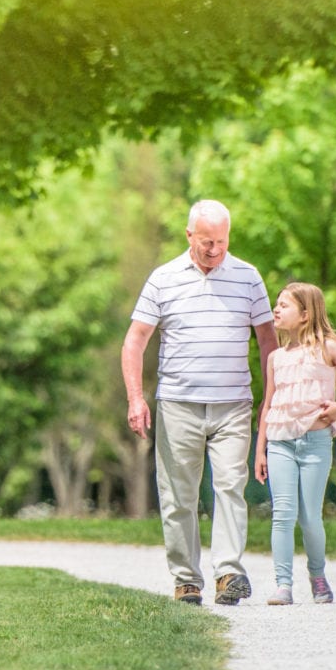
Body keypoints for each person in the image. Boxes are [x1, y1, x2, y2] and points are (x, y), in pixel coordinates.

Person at [123, 199, 279, 605]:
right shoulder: (163, 278)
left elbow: (268, 341)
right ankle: (186, 579)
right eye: (206, 241)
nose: (214, 250)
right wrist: (136, 398)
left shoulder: (248, 277)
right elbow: (136, 340)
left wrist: (271, 399)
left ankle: (228, 573)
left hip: (233, 403)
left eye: (222, 242)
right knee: (179, 495)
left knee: (230, 486)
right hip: (178, 403)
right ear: (189, 235)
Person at [253, 282, 336, 605]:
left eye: (284, 306)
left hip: (316, 442)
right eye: (276, 305)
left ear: (305, 315)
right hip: (279, 442)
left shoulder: (328, 348)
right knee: (283, 513)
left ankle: (318, 576)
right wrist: (260, 449)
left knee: (309, 517)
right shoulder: (275, 357)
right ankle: (283, 585)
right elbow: (269, 404)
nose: (276, 310)